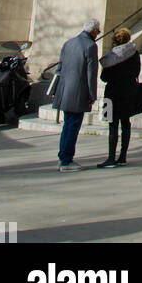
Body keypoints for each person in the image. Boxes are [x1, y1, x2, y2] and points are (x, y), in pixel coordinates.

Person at [54, 18, 100, 171]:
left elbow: (60, 67)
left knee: (67, 125)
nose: (98, 33)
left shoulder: (69, 43)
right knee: (73, 126)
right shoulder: (91, 46)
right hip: (79, 92)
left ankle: (63, 157)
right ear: (93, 31)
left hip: (66, 90)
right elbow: (91, 73)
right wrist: (92, 95)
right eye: (98, 31)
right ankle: (67, 160)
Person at [97, 27, 141, 168]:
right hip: (129, 91)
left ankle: (111, 157)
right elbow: (136, 71)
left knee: (113, 125)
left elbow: (104, 77)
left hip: (112, 92)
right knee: (126, 123)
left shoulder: (111, 56)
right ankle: (123, 156)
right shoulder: (134, 52)